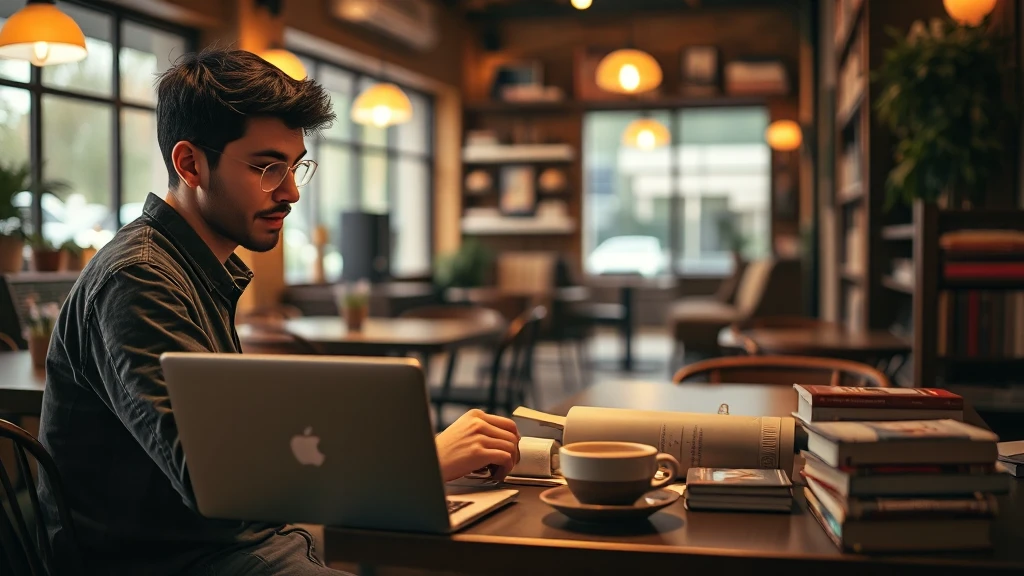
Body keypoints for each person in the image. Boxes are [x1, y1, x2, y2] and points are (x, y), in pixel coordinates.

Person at [36, 47, 521, 576]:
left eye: (294, 167)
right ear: (190, 164)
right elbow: (215, 482)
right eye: (266, 167)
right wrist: (418, 465)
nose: (290, 192)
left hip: (238, 544)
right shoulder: (139, 279)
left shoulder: (195, 269)